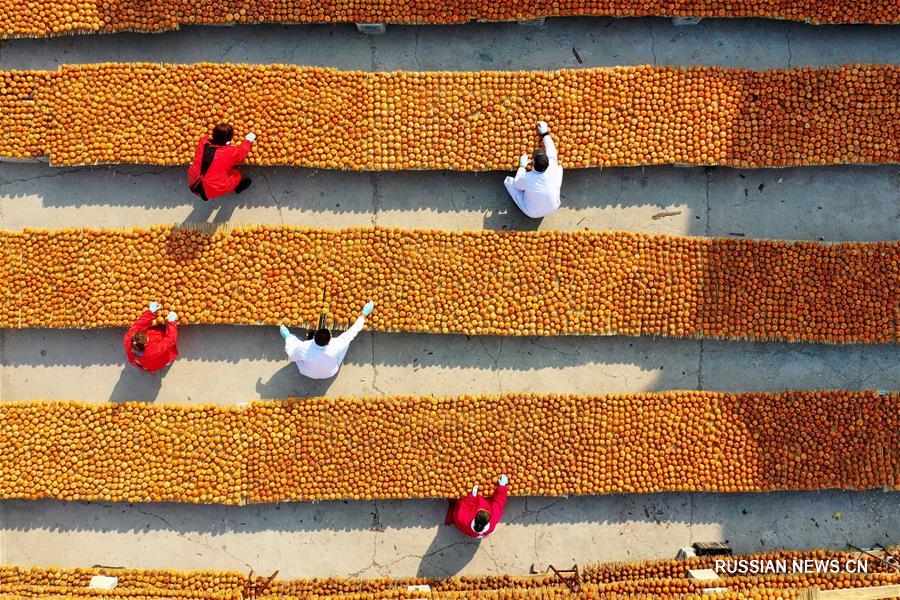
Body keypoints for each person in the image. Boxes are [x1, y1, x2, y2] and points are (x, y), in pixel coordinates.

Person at [280, 301, 375, 379]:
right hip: (330, 372)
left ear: (314, 337)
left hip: (307, 371)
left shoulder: (304, 347)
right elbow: (353, 331)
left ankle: (293, 338)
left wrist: (288, 337)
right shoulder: (336, 345)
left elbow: (292, 355)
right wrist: (364, 314)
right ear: (329, 341)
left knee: (294, 344)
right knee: (347, 340)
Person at [503, 121, 563, 218]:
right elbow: (551, 149)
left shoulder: (527, 178)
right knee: (558, 170)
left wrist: (522, 167)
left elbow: (518, 185)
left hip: (533, 212)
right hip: (553, 207)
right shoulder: (553, 167)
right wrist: (545, 133)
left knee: (510, 182)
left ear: (532, 163)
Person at [188, 123, 256, 201]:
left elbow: (208, 139)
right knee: (236, 175)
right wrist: (248, 140)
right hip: (213, 189)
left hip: (193, 181)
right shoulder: (229, 152)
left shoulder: (203, 142)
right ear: (229, 139)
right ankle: (238, 187)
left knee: (215, 169)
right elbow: (242, 152)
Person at [124, 302, 179, 372]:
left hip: (138, 360)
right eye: (147, 338)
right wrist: (171, 322)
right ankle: (166, 363)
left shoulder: (129, 337)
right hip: (154, 361)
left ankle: (144, 366)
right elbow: (170, 340)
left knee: (144, 363)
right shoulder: (153, 350)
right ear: (145, 344)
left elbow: (139, 324)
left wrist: (150, 312)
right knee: (162, 360)